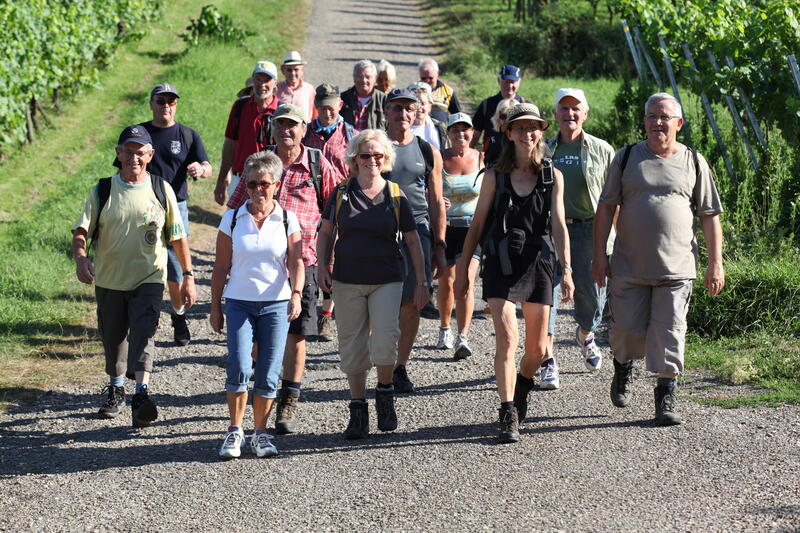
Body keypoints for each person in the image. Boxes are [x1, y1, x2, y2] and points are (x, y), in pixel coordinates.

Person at [593, 92, 724, 426]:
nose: (657, 122)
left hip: (676, 267)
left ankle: (666, 395)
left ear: (679, 123)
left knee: (671, 331)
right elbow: (606, 207)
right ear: (645, 121)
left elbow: (709, 214)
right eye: (652, 116)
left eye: (664, 117)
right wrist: (599, 256)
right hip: (629, 265)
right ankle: (623, 366)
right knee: (626, 332)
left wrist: (716, 262)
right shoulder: (626, 158)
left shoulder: (694, 161)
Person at [455, 103, 573, 443]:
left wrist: (567, 270)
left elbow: (559, 225)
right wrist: (463, 271)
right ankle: (507, 411)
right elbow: (477, 224)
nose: (527, 133)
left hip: (538, 262)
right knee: (508, 339)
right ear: (508, 133)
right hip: (501, 261)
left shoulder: (552, 176)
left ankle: (523, 384)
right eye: (520, 127)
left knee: (536, 350)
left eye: (533, 127)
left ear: (541, 132)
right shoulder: (495, 176)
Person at [228, 103, 342, 434]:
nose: (286, 130)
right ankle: (264, 387)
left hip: (302, 263)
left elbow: (335, 211)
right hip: (260, 265)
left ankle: (289, 398)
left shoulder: (317, 164)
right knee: (257, 336)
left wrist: (330, 259)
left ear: (304, 130)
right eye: (280, 124)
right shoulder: (260, 163)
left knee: (297, 333)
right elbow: (233, 210)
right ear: (273, 129)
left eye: (292, 125)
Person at [72, 125, 196, 428]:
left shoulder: (161, 189)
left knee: (144, 332)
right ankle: (116, 389)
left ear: (150, 155)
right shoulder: (103, 190)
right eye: (128, 152)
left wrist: (188, 275)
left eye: (140, 153)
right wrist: (81, 258)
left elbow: (177, 237)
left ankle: (141, 393)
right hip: (110, 279)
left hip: (149, 277)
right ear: (118, 153)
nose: (134, 158)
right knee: (113, 339)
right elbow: (81, 230)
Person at [317, 129, 429, 439]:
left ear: (385, 158)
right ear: (355, 159)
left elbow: (413, 240)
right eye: (365, 155)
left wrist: (422, 280)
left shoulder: (395, 194)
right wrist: (322, 266)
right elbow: (325, 232)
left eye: (378, 155)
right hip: (347, 279)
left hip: (387, 279)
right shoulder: (341, 192)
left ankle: (385, 393)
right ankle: (357, 409)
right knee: (352, 345)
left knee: (385, 339)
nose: (372, 160)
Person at [210, 151, 304, 459]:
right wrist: (215, 307)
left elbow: (297, 262)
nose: (258, 190)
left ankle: (260, 433)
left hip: (276, 304)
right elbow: (220, 267)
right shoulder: (232, 218)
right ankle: (235, 430)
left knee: (269, 370)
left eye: (264, 183)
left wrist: (296, 293)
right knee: (239, 365)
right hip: (239, 302)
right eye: (252, 184)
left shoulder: (287, 219)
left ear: (276, 184)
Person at [114, 83, 211, 347]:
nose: (166, 106)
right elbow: (121, 168)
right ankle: (136, 316)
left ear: (176, 105)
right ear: (151, 104)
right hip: (143, 205)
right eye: (161, 101)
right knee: (140, 260)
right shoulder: (139, 135)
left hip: (176, 206)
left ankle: (178, 317)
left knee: (175, 264)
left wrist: (200, 170)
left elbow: (207, 166)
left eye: (171, 101)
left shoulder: (187, 135)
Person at [539, 88, 615, 390]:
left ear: (585, 114)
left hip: (589, 230)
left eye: (575, 109)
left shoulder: (602, 149)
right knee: (546, 296)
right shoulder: (544, 149)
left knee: (594, 298)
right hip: (550, 231)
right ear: (555, 114)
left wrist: (616, 239)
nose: (569, 114)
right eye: (564, 109)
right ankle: (547, 360)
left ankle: (585, 333)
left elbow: (614, 198)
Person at [382, 88, 446, 394]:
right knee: (381, 301)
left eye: (409, 108)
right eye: (397, 108)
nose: (403, 113)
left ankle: (400, 366)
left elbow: (437, 201)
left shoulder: (427, 150)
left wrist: (440, 246)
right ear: (387, 111)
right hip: (379, 232)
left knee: (411, 303)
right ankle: (382, 360)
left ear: (417, 111)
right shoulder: (374, 146)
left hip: (417, 232)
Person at [302, 83, 356, 341]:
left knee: (332, 257)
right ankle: (305, 309)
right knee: (309, 255)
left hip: (340, 203)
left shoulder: (351, 135)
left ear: (340, 106)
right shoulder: (306, 132)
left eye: (331, 107)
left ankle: (326, 315)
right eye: (322, 107)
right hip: (310, 202)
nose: (327, 112)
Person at [436, 113, 482, 360]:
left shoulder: (482, 158)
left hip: (472, 229)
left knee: (465, 281)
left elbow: (489, 191)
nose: (461, 134)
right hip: (446, 227)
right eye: (455, 130)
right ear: (448, 133)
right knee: (447, 281)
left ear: (472, 133)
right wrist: (437, 202)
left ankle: (462, 337)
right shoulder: (440, 158)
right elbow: (430, 189)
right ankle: (445, 327)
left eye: (465, 129)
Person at [214, 60, 279, 206]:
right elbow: (230, 145)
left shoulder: (281, 111)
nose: (262, 84)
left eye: (267, 80)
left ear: (275, 83)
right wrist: (221, 181)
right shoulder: (240, 107)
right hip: (240, 179)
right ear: (253, 80)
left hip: (270, 182)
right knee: (236, 220)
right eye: (258, 79)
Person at [471, 65, 528, 149]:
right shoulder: (487, 104)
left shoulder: (526, 106)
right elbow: (475, 134)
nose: (509, 85)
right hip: (491, 155)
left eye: (513, 82)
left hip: (517, 155)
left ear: (519, 82)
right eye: (506, 81)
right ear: (499, 80)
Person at [341, 60, 387, 131]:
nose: (364, 80)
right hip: (349, 138)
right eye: (360, 76)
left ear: (375, 78)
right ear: (354, 78)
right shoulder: (342, 99)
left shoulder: (384, 100)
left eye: (368, 77)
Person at [276, 51, 317, 122]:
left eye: (296, 69)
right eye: (289, 70)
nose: (293, 73)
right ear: (283, 71)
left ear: (302, 70)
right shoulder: (276, 88)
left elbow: (315, 114)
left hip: (304, 128)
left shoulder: (309, 89)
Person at [418, 57, 461, 123]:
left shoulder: (448, 91)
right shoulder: (413, 90)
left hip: (441, 128)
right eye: (423, 78)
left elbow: (458, 116)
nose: (427, 81)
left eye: (430, 78)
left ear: (437, 73)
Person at [408, 82, 448, 151]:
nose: (419, 107)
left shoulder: (440, 128)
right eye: (415, 103)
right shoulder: (401, 128)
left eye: (423, 103)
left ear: (430, 106)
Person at [483, 97, 517, 168]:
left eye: (511, 117)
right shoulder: (492, 140)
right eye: (503, 116)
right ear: (498, 118)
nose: (507, 120)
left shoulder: (525, 139)